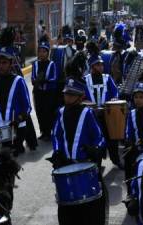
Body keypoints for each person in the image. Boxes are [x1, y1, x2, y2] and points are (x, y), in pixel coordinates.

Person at [49, 77, 108, 225]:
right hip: (66, 165)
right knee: (67, 210)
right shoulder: (60, 112)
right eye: (66, 94)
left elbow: (100, 137)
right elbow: (55, 135)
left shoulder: (88, 113)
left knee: (92, 210)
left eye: (72, 94)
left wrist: (94, 149)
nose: (68, 97)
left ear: (81, 97)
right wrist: (57, 151)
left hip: (85, 166)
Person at [84, 55, 121, 166]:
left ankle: (116, 160)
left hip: (108, 113)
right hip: (93, 114)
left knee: (112, 138)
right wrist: (91, 106)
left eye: (101, 64)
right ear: (91, 66)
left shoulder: (107, 77)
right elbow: (83, 97)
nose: (101, 67)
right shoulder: (85, 79)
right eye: (97, 65)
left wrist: (114, 98)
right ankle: (97, 164)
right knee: (96, 140)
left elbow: (115, 92)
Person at [124, 82, 143, 193]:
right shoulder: (131, 113)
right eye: (136, 97)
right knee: (129, 164)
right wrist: (130, 143)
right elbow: (128, 132)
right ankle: (131, 193)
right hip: (135, 150)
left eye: (141, 97)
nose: (138, 100)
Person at [31, 38, 60, 141]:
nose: (41, 53)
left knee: (48, 112)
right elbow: (33, 77)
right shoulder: (35, 64)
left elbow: (54, 78)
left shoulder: (52, 64)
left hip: (49, 93)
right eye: (40, 51)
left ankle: (49, 132)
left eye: (44, 51)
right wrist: (36, 81)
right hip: (38, 92)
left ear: (48, 53)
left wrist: (45, 80)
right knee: (39, 112)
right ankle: (43, 131)